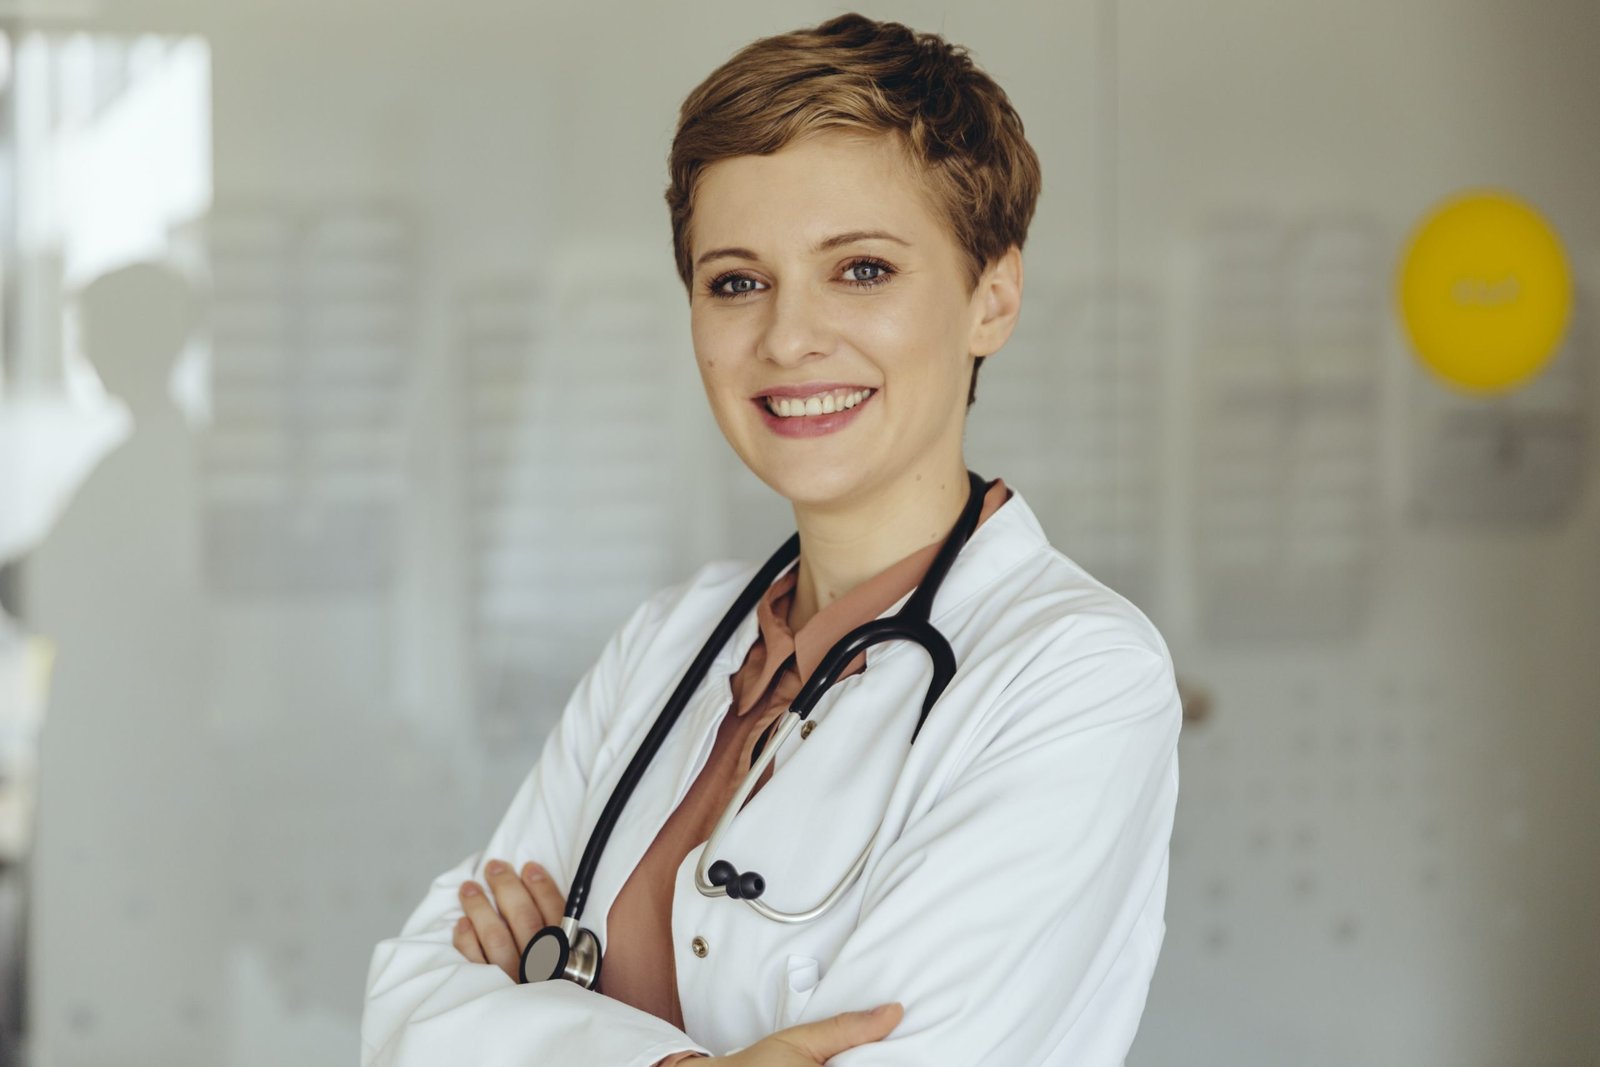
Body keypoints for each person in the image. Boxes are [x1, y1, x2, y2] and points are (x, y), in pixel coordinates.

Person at [361, 13, 1181, 1066]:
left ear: (993, 296)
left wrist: (530, 1024)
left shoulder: (1076, 674)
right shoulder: (672, 640)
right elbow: (410, 999)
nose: (788, 337)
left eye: (862, 270)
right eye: (737, 281)